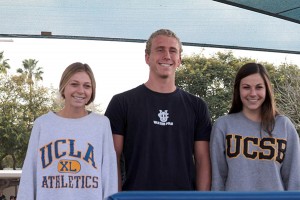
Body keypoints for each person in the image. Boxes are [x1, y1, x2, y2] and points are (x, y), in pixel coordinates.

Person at [105, 29, 212, 191]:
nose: (167, 56)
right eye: (160, 49)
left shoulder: (197, 106)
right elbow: (112, 158)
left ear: (179, 59)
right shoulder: (121, 102)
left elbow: (203, 159)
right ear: (147, 57)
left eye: (173, 51)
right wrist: (117, 197)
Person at [17, 62, 118, 199]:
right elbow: (29, 175)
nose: (81, 91)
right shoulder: (43, 124)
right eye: (74, 84)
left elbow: (109, 176)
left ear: (92, 91)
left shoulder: (102, 125)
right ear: (63, 87)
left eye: (87, 86)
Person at [210, 62, 300, 191]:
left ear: (267, 90)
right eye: (246, 87)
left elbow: (294, 179)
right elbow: (218, 178)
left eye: (259, 87)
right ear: (238, 90)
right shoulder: (223, 126)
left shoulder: (284, 126)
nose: (253, 93)